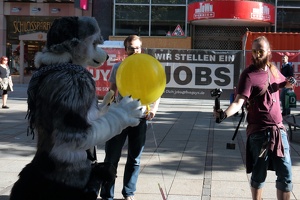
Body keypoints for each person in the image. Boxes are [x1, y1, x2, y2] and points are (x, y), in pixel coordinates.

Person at [214, 36, 294, 200]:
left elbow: (281, 83)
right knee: (259, 175)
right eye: (254, 51)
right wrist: (224, 114)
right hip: (259, 134)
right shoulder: (248, 75)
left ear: (268, 52)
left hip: (279, 131)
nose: (257, 54)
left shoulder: (273, 69)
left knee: (286, 175)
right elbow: (239, 102)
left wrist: (289, 83)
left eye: (261, 51)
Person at [100, 35, 161, 200]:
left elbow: (158, 89)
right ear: (125, 49)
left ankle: (129, 193)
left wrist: (154, 109)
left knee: (135, 159)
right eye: (131, 48)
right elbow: (112, 91)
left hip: (139, 118)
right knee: (111, 157)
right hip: (118, 118)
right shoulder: (118, 67)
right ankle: (107, 195)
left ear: (142, 48)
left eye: (138, 48)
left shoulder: (148, 67)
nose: (135, 51)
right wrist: (104, 108)